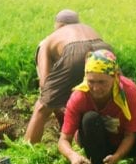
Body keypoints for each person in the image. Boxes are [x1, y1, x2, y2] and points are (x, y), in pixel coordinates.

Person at [24, 9, 113, 144]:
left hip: (74, 52)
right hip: (103, 48)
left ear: (58, 26)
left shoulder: (48, 41)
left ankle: (28, 151)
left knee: (41, 108)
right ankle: (123, 142)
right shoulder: (86, 28)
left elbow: (45, 84)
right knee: (116, 95)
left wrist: (52, 100)